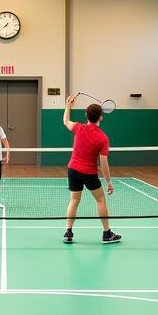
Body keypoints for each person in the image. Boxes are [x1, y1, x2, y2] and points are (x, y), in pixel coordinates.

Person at [62, 92, 121, 245]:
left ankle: (68, 232)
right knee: (100, 199)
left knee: (74, 200)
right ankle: (107, 233)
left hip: (73, 170)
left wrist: (68, 104)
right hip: (89, 173)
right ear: (101, 116)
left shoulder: (78, 128)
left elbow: (65, 121)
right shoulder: (103, 138)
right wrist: (108, 181)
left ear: (86, 115)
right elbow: (103, 163)